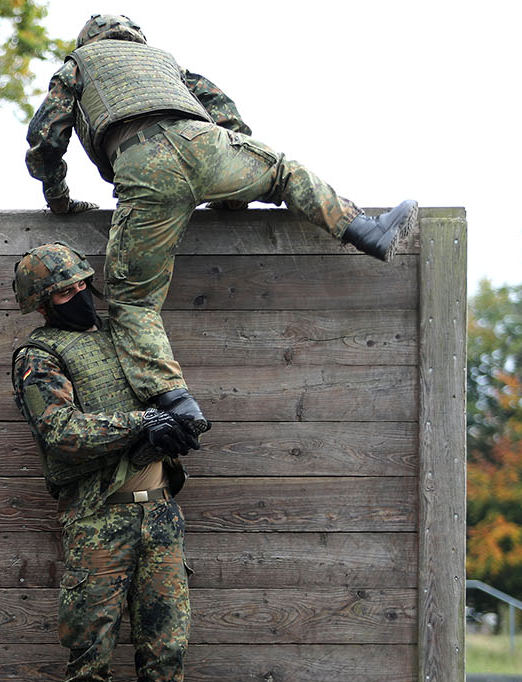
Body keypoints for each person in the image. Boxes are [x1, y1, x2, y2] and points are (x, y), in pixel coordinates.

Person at [23, 13, 417, 435]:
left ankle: (176, 402)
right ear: (135, 37)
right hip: (206, 145)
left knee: (134, 303)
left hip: (145, 165)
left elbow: (47, 138)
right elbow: (226, 115)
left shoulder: (78, 65)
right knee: (283, 171)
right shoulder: (164, 60)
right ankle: (366, 231)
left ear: (87, 40)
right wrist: (232, 190)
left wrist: (59, 198)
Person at [10, 242, 198, 682]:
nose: (77, 295)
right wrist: (143, 424)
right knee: (88, 661)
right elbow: (61, 432)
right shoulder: (40, 355)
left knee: (166, 655)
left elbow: (164, 388)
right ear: (44, 304)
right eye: (62, 292)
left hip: (160, 517)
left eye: (79, 284)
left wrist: (171, 426)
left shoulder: (126, 336)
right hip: (98, 524)